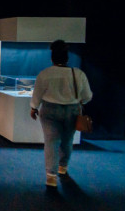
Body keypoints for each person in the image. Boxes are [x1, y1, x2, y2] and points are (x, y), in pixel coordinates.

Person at [30, 39, 93, 188]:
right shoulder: (78, 74)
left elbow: (37, 95)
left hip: (49, 110)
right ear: (67, 57)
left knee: (51, 142)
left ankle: (51, 177)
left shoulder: (45, 74)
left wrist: (33, 108)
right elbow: (87, 96)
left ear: (52, 58)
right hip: (72, 110)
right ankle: (62, 167)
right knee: (67, 140)